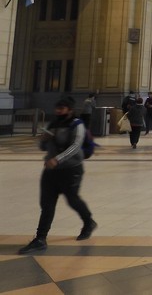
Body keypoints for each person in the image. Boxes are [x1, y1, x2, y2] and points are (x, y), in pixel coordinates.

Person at [18, 97, 97, 254]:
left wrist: (57, 159)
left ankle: (88, 222)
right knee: (47, 205)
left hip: (71, 170)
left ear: (70, 109)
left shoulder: (77, 124)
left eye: (62, 108)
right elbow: (43, 146)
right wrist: (43, 140)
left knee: (73, 200)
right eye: (57, 108)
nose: (58, 111)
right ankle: (40, 239)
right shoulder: (54, 123)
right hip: (51, 171)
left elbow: (76, 146)